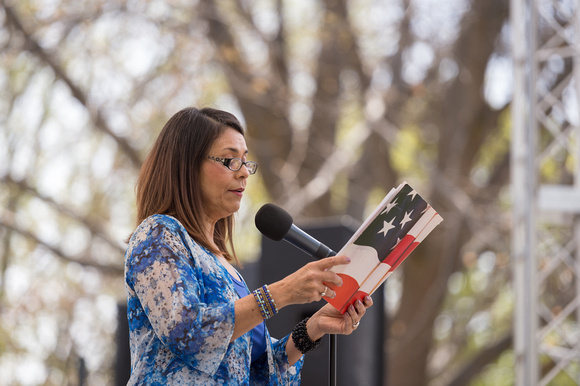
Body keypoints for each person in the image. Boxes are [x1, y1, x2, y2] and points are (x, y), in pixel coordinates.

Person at [124, 107, 373, 385]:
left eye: (245, 162)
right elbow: (188, 334)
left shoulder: (224, 267)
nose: (244, 173)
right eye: (230, 160)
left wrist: (313, 327)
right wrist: (282, 292)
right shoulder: (159, 233)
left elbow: (256, 372)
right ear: (187, 165)